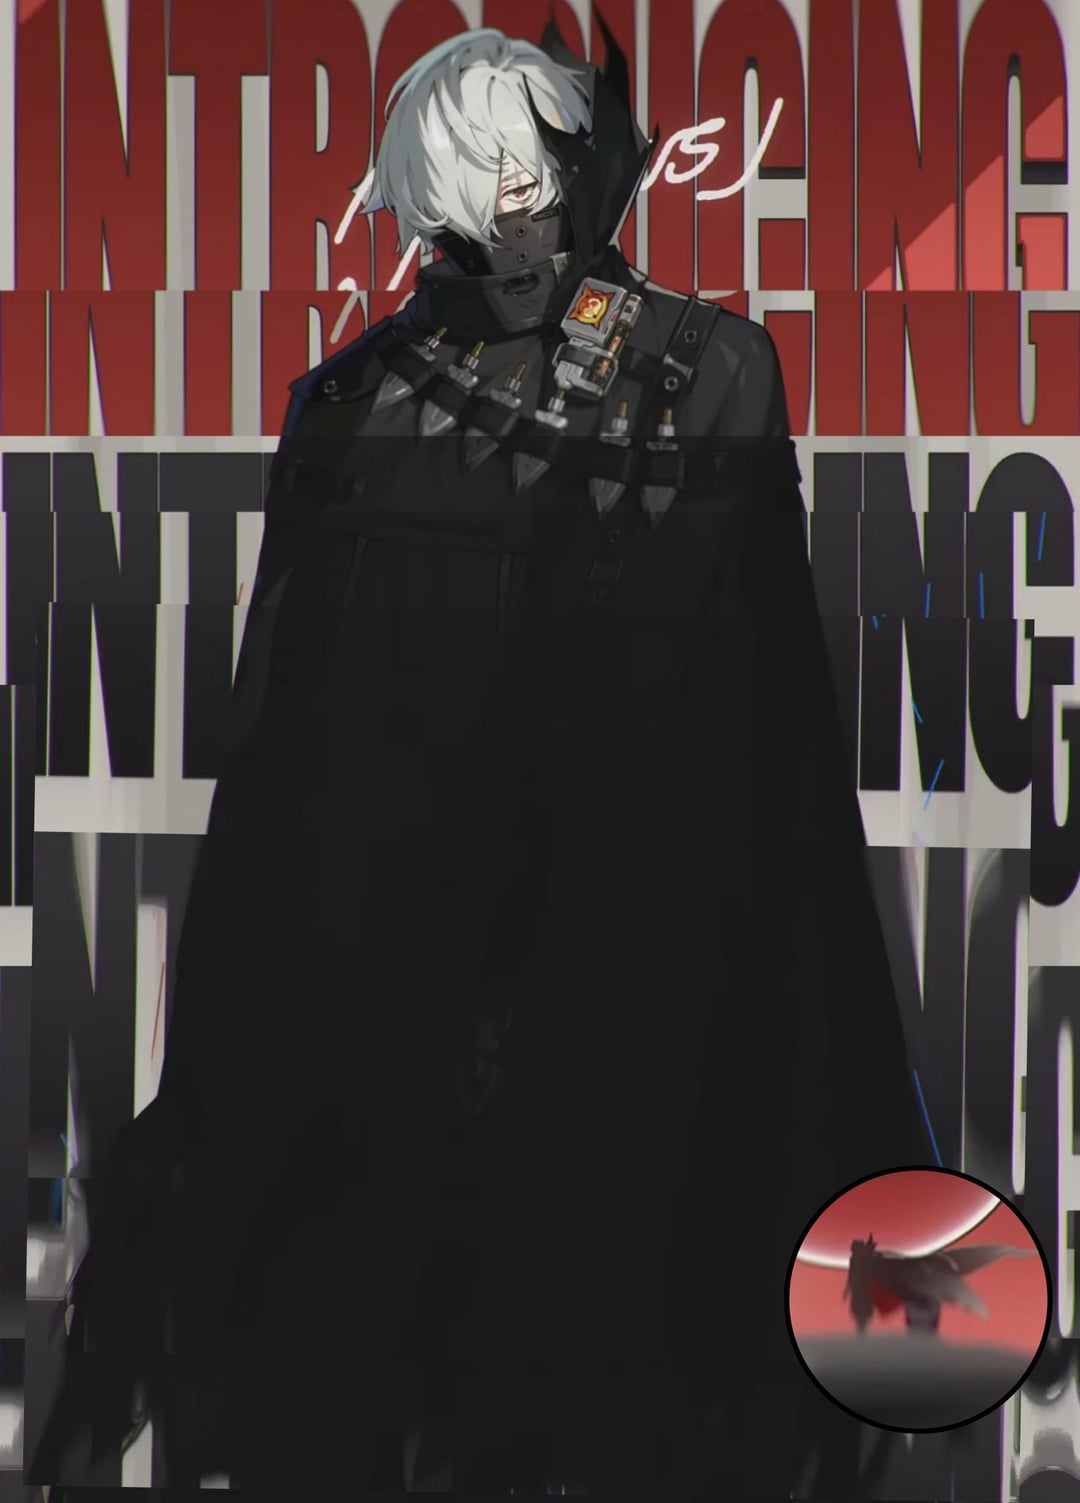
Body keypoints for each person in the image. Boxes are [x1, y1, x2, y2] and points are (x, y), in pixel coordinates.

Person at [31, 20, 932, 1496]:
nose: (518, 210)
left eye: (535, 169)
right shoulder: (359, 406)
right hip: (420, 994)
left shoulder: (698, 371)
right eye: (488, 181)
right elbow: (282, 762)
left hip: (618, 977)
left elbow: (770, 725)